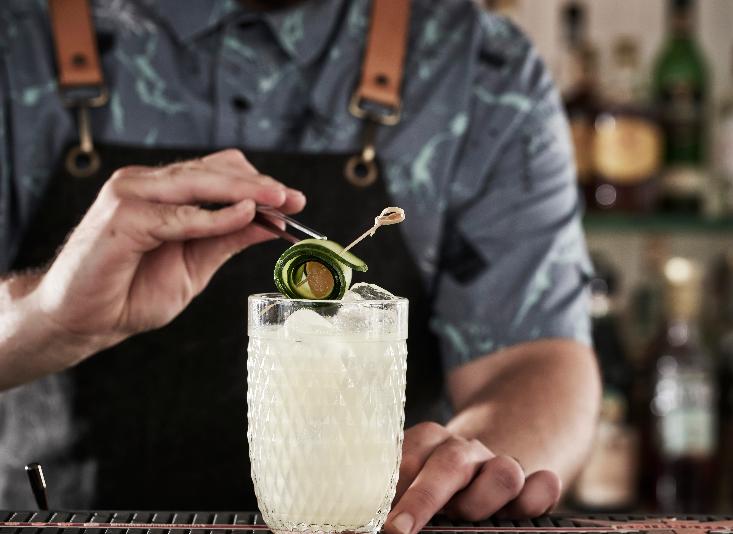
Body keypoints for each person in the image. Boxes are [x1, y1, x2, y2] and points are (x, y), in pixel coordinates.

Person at [0, 0, 600, 531]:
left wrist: (463, 468)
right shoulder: (16, 37)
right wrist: (44, 317)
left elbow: (535, 358)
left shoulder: (480, 65)